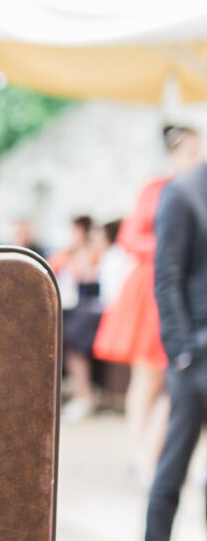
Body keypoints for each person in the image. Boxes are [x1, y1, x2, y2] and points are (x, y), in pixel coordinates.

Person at [93, 126, 203, 486]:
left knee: (181, 383)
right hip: (152, 287)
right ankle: (139, 454)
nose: (195, 156)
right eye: (188, 150)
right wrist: (173, 247)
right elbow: (129, 237)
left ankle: (169, 455)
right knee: (148, 378)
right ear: (173, 153)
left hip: (187, 288)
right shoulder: (156, 188)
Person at [144, 151, 207, 541]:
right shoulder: (183, 192)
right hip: (195, 360)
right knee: (172, 473)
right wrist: (183, 353)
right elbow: (166, 279)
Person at [47, 216, 101, 422]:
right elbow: (53, 265)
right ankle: (81, 395)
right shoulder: (68, 253)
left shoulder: (91, 252)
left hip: (87, 310)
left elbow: (87, 276)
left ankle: (84, 396)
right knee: (70, 348)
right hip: (73, 308)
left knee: (75, 348)